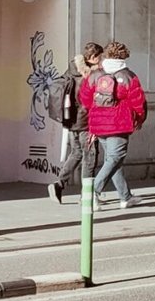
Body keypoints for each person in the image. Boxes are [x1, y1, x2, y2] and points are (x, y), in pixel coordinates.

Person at [80, 39, 148, 210]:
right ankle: (92, 193)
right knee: (115, 158)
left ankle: (125, 197)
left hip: (98, 124)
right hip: (119, 124)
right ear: (124, 56)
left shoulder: (95, 75)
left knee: (113, 160)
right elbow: (138, 101)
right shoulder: (129, 76)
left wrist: (95, 114)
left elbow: (85, 98)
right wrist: (139, 119)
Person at [49, 42, 103, 203]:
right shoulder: (89, 76)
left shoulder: (71, 71)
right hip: (86, 122)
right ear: (92, 58)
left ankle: (59, 183)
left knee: (77, 153)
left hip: (72, 120)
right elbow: (91, 101)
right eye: (99, 58)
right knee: (90, 156)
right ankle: (86, 195)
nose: (101, 61)